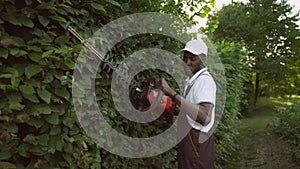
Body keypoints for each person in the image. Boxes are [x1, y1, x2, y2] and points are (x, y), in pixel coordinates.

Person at [155, 39, 216, 169]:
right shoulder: (193, 81)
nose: (187, 63)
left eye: (192, 59)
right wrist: (168, 106)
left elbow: (204, 117)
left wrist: (171, 92)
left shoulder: (204, 81)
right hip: (189, 143)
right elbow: (192, 109)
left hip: (197, 145)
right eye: (185, 58)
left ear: (203, 59)